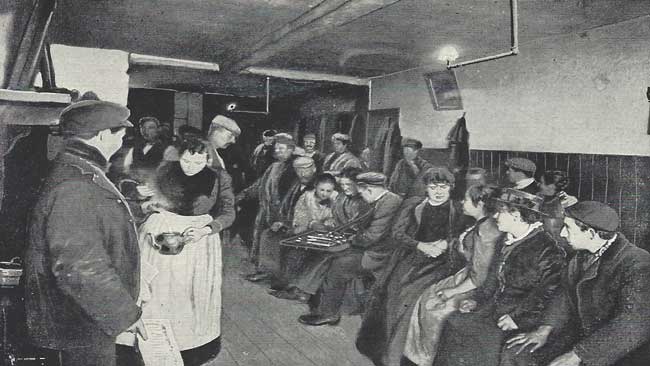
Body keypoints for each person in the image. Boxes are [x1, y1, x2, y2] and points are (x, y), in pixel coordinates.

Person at [24, 100, 145, 366]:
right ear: (102, 135)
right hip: (81, 321)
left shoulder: (78, 169)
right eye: (121, 134)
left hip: (83, 314)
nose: (123, 140)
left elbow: (95, 222)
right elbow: (80, 268)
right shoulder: (76, 185)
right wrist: (125, 315)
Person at [503, 201, 650, 366]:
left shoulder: (638, 263)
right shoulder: (582, 254)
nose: (563, 234)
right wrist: (545, 329)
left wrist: (578, 354)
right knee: (517, 352)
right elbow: (564, 294)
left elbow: (633, 323)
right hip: (582, 335)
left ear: (591, 233)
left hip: (616, 348)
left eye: (567, 227)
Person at [432, 188, 566, 366]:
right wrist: (477, 300)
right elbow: (492, 279)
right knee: (454, 323)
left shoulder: (547, 249)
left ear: (516, 215)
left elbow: (546, 293)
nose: (495, 216)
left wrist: (516, 317)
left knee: (483, 341)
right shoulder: (505, 240)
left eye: (499, 212)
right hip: (496, 308)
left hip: (526, 316)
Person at [133, 137, 234, 365]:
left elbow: (228, 212)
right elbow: (148, 199)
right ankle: (153, 345)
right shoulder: (165, 169)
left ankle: (191, 346)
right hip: (161, 233)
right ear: (180, 157)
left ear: (208, 159)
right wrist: (144, 197)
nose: (190, 167)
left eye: (198, 162)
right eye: (186, 161)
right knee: (157, 289)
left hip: (198, 239)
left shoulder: (219, 178)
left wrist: (208, 229)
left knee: (189, 292)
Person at [356, 167, 467, 366]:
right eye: (433, 186)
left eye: (443, 186)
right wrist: (420, 245)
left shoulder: (458, 209)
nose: (438, 191)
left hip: (441, 263)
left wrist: (446, 243)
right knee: (393, 296)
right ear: (426, 187)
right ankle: (384, 353)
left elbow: (462, 235)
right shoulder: (413, 205)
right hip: (410, 257)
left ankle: (396, 358)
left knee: (412, 298)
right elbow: (397, 234)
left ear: (451, 188)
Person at [403, 185, 504, 366]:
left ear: (479, 203)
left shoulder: (487, 232)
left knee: (432, 307)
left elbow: (479, 277)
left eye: (466, 199)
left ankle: (426, 359)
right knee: (425, 295)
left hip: (474, 287)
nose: (462, 202)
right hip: (464, 275)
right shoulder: (481, 223)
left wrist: (452, 292)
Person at [298, 172, 403, 326]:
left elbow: (372, 236)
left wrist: (349, 239)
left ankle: (329, 313)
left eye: (362, 193)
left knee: (339, 266)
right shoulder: (379, 200)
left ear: (369, 190)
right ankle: (313, 299)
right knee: (329, 255)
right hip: (371, 247)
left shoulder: (389, 203)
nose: (362, 197)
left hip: (380, 253)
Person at [273, 167, 371, 303]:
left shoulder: (363, 202)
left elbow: (359, 227)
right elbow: (335, 219)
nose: (345, 188)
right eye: (342, 185)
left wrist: (340, 232)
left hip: (356, 243)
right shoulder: (342, 198)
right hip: (337, 236)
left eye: (348, 184)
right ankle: (294, 286)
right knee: (303, 248)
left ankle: (302, 292)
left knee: (324, 255)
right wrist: (329, 226)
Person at [237, 134, 298, 281]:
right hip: (268, 210)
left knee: (276, 243)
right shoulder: (274, 166)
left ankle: (277, 275)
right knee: (263, 239)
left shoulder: (295, 168)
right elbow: (260, 184)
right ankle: (264, 270)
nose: (278, 151)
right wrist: (243, 195)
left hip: (285, 212)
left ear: (291, 150)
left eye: (282, 149)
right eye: (276, 149)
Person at [256, 156, 317, 289]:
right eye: (299, 170)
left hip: (308, 227)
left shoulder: (318, 187)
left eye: (306, 170)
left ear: (314, 169)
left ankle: (285, 279)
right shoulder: (295, 185)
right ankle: (269, 272)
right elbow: (285, 207)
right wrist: (281, 221)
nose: (302, 173)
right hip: (290, 223)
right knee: (268, 234)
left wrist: (295, 225)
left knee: (288, 242)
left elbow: (316, 213)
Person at [538, 170, 578, 250]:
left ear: (551, 186)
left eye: (541, 182)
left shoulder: (568, 202)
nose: (538, 184)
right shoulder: (539, 198)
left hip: (560, 245)